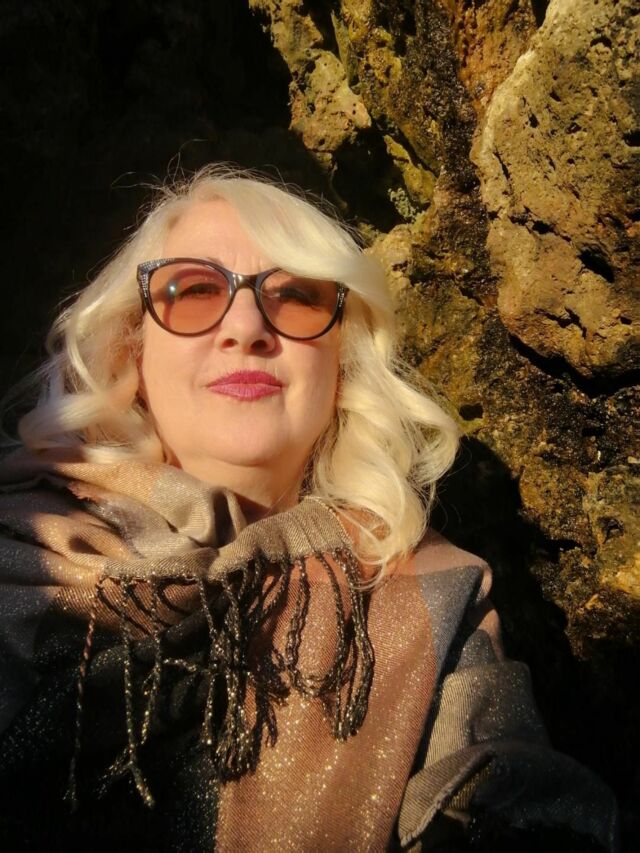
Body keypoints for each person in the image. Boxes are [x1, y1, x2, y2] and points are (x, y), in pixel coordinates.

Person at [0, 167, 617, 851]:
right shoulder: (15, 559)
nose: (246, 328)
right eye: (194, 290)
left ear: (342, 360)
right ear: (131, 348)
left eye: (295, 296)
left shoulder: (438, 600)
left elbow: (504, 792)